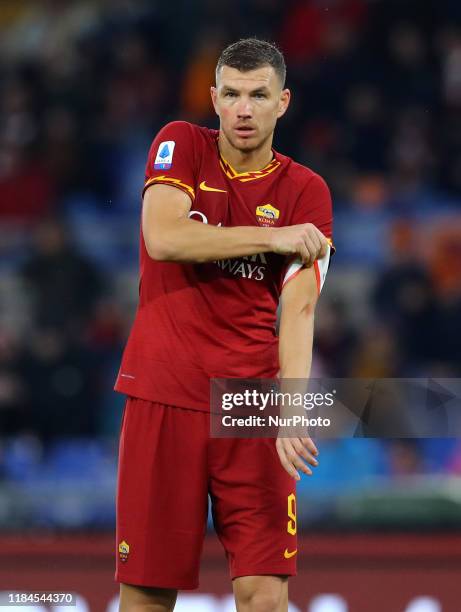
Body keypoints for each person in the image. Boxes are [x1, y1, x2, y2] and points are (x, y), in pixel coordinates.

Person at [114, 38, 334, 612]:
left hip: (250, 404)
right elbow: (163, 237)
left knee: (265, 593)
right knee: (146, 594)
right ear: (213, 98)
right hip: (164, 391)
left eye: (258, 95)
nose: (243, 109)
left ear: (282, 102)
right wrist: (273, 236)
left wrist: (291, 408)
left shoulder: (307, 191)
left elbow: (300, 305)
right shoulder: (180, 144)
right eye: (232, 94)